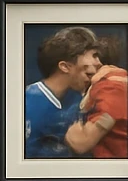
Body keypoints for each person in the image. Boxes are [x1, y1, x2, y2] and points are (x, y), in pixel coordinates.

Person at [24, 26, 103, 160]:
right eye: (93, 55)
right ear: (65, 67)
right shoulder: (28, 101)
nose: (98, 62)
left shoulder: (80, 98)